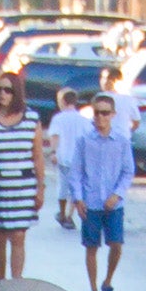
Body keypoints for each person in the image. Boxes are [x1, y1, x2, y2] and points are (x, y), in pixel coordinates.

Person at [0, 72, 44, 281]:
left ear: (16, 93)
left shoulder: (32, 119)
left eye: (8, 90)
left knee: (19, 236)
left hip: (23, 185)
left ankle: (16, 282)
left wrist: (41, 188)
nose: (3, 94)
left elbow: (38, 156)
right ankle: (1, 282)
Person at [69, 90, 134, 291]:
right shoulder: (84, 141)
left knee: (116, 243)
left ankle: (107, 282)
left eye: (105, 113)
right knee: (91, 246)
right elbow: (75, 171)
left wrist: (117, 194)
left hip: (113, 202)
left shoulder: (122, 142)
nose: (101, 118)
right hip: (91, 201)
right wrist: (78, 198)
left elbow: (128, 171)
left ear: (113, 115)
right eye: (97, 113)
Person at [45, 87, 88, 229]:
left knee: (62, 187)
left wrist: (53, 152)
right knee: (75, 188)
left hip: (63, 157)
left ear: (62, 101)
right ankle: (70, 215)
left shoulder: (58, 119)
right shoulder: (83, 120)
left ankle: (62, 213)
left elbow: (55, 136)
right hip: (78, 159)